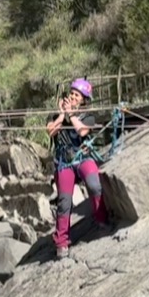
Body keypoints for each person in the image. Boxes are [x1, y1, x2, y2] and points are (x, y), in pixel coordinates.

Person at [46, 79, 112, 261]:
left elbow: (82, 132)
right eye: (72, 94)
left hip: (83, 158)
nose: (73, 97)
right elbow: (51, 132)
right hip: (64, 163)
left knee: (94, 185)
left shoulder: (88, 116)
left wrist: (71, 115)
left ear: (83, 100)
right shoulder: (54, 115)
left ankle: (102, 220)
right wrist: (61, 115)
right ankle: (61, 243)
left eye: (77, 96)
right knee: (64, 202)